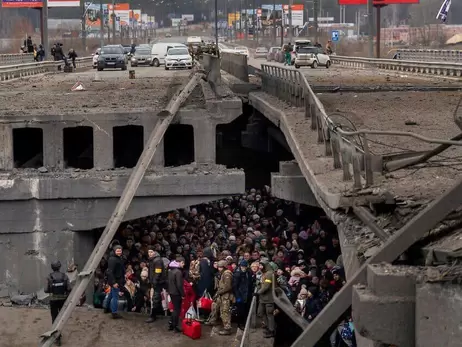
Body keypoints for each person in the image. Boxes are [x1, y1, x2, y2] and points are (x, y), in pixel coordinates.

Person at [44, 261, 71, 346]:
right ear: (59, 267)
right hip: (63, 300)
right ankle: (59, 333)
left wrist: (52, 289)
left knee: (54, 318)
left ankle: (56, 337)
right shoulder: (65, 276)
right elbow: (69, 288)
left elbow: (46, 290)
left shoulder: (49, 277)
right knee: (61, 318)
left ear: (52, 268)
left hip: (53, 300)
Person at [205, 260, 234, 335]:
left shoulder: (227, 274)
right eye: (218, 267)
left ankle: (227, 328)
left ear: (224, 267)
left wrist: (218, 293)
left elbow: (228, 287)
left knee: (224, 311)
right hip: (221, 294)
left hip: (225, 296)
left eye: (221, 267)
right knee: (214, 306)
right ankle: (212, 320)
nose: (219, 269)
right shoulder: (222, 273)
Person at [255, 258, 275, 338]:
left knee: (269, 314)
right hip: (262, 298)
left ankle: (271, 330)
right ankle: (267, 326)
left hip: (269, 298)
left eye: (261, 265)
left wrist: (257, 293)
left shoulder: (269, 274)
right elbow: (260, 284)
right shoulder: (263, 274)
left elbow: (266, 287)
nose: (260, 267)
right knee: (260, 312)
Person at [146, 247, 166, 323]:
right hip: (156, 282)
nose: (149, 253)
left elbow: (158, 272)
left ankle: (153, 315)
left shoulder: (157, 260)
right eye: (148, 252)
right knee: (157, 298)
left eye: (151, 252)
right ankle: (158, 313)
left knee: (155, 298)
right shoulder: (153, 260)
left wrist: (154, 282)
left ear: (155, 252)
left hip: (158, 283)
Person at [232, 259, 253, 330]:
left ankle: (245, 322)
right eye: (242, 266)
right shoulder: (237, 274)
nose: (243, 268)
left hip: (247, 295)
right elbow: (235, 286)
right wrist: (237, 296)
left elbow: (250, 284)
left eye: (244, 266)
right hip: (240, 295)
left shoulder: (248, 273)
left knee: (246, 310)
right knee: (240, 310)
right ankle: (240, 324)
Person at [106, 245, 125, 319]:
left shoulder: (117, 258)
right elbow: (110, 272)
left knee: (111, 294)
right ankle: (114, 312)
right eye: (118, 251)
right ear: (114, 251)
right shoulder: (113, 259)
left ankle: (106, 307)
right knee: (115, 297)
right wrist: (114, 282)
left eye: (120, 251)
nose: (119, 252)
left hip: (116, 279)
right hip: (115, 280)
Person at [167, 256, 185, 332]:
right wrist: (183, 294)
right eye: (182, 263)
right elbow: (179, 285)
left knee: (174, 308)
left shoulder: (171, 270)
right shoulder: (178, 272)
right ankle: (175, 326)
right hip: (176, 293)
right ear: (179, 262)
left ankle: (171, 324)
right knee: (177, 310)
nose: (183, 264)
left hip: (171, 292)